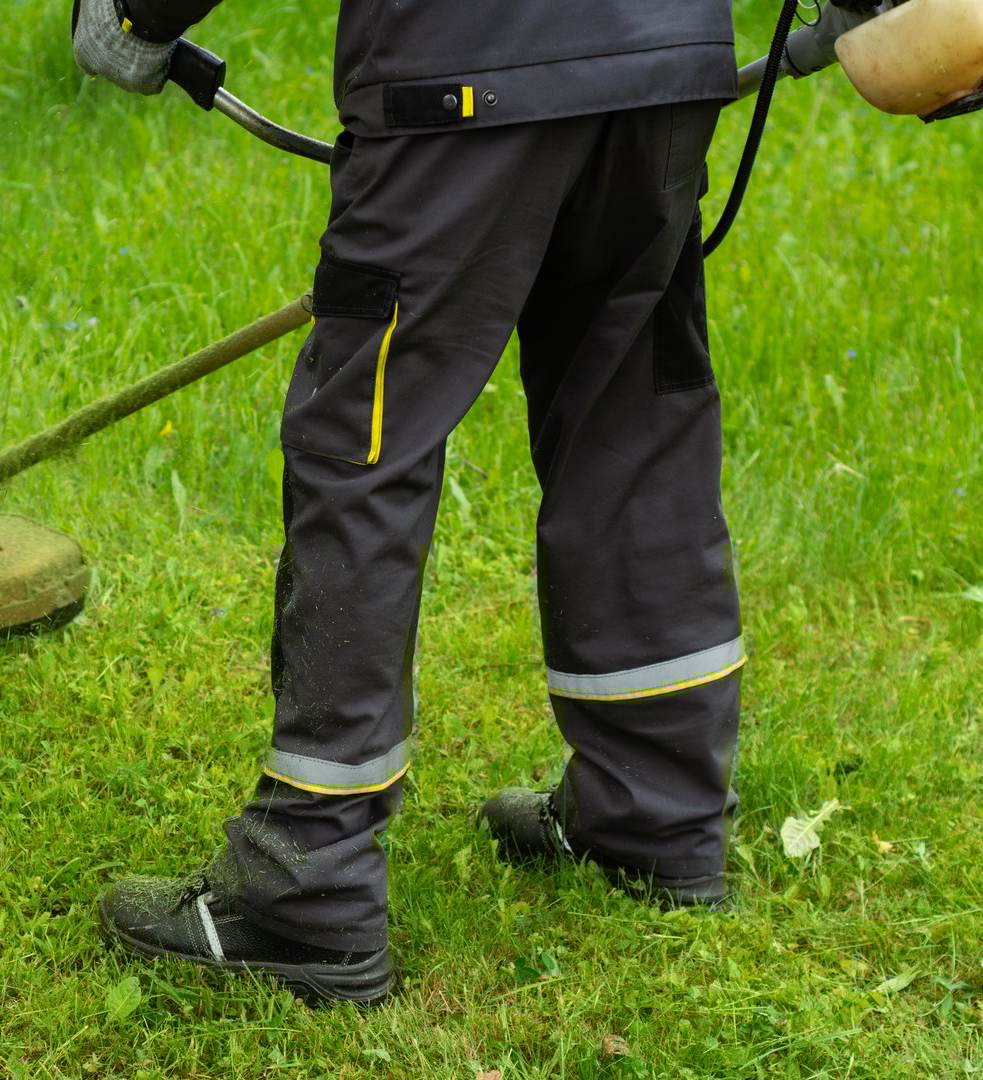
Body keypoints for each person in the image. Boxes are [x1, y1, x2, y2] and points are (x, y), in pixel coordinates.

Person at [75, 0, 745, 1005]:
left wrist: (139, 15)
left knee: (365, 442)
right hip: (658, 61)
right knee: (632, 419)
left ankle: (308, 881)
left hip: (465, 60)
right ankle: (657, 815)